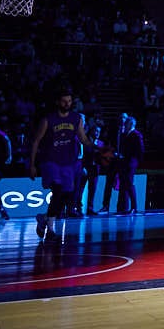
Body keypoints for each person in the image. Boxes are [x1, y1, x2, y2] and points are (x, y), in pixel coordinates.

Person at [30, 85, 95, 240]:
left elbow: (83, 139)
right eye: (64, 101)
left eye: (69, 101)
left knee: (66, 195)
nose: (67, 104)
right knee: (58, 190)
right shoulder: (48, 120)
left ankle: (44, 218)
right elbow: (35, 141)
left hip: (68, 163)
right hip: (50, 161)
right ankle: (51, 229)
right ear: (58, 102)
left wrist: (98, 148)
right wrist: (31, 164)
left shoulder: (76, 118)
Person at [111, 116, 144, 214]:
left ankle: (134, 206)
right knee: (124, 184)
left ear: (131, 124)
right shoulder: (126, 135)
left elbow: (140, 150)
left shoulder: (136, 135)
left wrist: (135, 161)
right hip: (124, 163)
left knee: (129, 183)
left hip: (130, 163)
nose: (125, 125)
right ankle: (124, 206)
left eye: (126, 123)